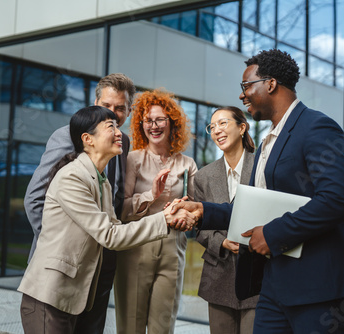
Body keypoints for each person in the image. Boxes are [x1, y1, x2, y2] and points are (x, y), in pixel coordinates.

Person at [170, 49, 344, 333]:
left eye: (246, 85)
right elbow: (248, 207)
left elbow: (338, 199)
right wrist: (202, 211)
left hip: (318, 289)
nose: (242, 95)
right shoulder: (267, 143)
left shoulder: (317, 127)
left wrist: (273, 234)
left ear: (270, 84)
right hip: (274, 286)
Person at [18, 106, 195, 334]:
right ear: (88, 139)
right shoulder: (73, 177)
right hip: (49, 297)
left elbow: (116, 228)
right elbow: (110, 235)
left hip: (72, 297)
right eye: (110, 126)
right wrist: (165, 218)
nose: (119, 132)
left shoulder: (102, 181)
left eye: (118, 126)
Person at [23, 73, 135, 333]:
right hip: (65, 268)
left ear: (129, 110)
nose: (114, 114)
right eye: (107, 106)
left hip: (100, 268)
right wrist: (57, 247)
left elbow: (115, 199)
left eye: (120, 108)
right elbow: (35, 198)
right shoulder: (67, 136)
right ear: (94, 102)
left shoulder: (122, 142)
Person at [114, 89, 197, 334]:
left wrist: (187, 215)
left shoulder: (187, 164)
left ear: (172, 122)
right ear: (141, 125)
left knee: (164, 326)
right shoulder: (133, 159)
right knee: (131, 325)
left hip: (173, 249)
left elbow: (194, 210)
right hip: (136, 248)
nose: (154, 126)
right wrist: (151, 194)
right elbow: (122, 211)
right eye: (148, 120)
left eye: (160, 119)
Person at [195, 106, 257, 333]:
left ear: (242, 127)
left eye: (223, 123)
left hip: (256, 276)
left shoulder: (262, 167)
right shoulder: (203, 176)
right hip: (218, 277)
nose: (216, 130)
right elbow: (199, 227)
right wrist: (221, 242)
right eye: (212, 127)